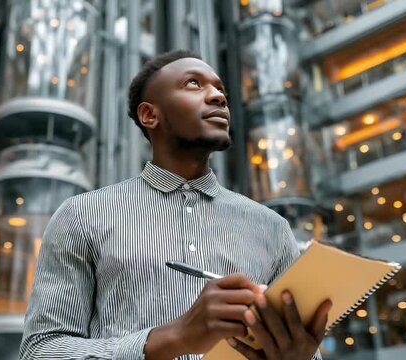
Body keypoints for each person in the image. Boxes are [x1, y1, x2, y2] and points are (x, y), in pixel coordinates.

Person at [20, 50, 331, 360]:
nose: (218, 97)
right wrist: (174, 337)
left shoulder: (273, 227)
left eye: (221, 89)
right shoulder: (82, 215)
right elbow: (40, 350)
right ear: (149, 115)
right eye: (194, 84)